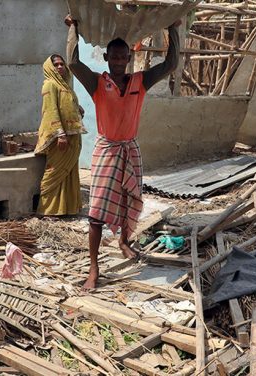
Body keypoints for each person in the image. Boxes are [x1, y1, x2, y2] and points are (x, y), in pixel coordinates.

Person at [65, 15, 180, 290]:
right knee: (96, 214)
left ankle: (124, 241)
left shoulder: (141, 81)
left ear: (129, 58)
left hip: (130, 149)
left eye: (122, 58)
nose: (118, 62)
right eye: (114, 57)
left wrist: (172, 30)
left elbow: (171, 64)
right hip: (106, 150)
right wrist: (73, 28)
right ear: (106, 57)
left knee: (130, 201)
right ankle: (94, 269)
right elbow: (72, 62)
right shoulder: (96, 83)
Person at [34, 54, 87, 216]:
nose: (59, 67)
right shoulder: (50, 85)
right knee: (55, 171)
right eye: (55, 65)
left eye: (61, 64)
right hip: (61, 137)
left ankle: (67, 209)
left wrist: (77, 108)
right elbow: (51, 111)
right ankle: (48, 211)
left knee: (69, 172)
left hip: (73, 135)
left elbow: (65, 104)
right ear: (49, 68)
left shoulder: (65, 85)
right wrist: (60, 135)